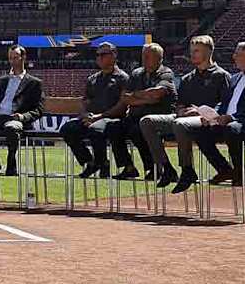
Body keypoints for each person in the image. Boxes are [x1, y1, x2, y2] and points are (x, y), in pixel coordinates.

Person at [182, 41, 245, 191]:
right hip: (229, 124)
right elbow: (224, 103)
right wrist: (212, 116)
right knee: (199, 132)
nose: (234, 57)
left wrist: (232, 117)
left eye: (237, 54)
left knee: (232, 128)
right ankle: (225, 170)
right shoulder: (234, 78)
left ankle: (239, 172)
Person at [138, 35, 230, 190]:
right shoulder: (187, 78)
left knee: (180, 124)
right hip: (184, 118)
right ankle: (166, 167)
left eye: (197, 51)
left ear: (208, 52)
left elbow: (225, 104)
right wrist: (181, 111)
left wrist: (201, 112)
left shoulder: (221, 76)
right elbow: (179, 104)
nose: (192, 54)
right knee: (147, 121)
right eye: (191, 51)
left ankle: (187, 169)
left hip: (208, 119)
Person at [59, 42, 130, 179]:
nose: (99, 58)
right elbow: (85, 100)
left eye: (103, 55)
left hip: (113, 118)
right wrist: (85, 114)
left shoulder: (123, 78)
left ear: (114, 55)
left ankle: (102, 163)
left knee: (95, 128)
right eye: (97, 55)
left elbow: (122, 105)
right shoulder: (92, 79)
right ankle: (90, 162)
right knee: (68, 129)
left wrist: (98, 117)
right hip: (92, 118)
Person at [0, 45, 43, 176]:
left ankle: (11, 162)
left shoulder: (34, 83)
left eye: (15, 58)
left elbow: (38, 110)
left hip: (15, 118)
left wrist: (22, 117)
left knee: (11, 128)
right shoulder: (0, 81)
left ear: (23, 58)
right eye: (10, 58)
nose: (12, 61)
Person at [110, 43, 176, 182]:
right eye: (143, 56)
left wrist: (135, 96)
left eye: (148, 56)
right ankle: (128, 167)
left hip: (157, 115)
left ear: (159, 58)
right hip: (136, 115)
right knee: (113, 127)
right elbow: (125, 98)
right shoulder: (136, 73)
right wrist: (145, 98)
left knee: (137, 129)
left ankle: (153, 167)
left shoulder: (166, 73)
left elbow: (157, 94)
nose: (144, 59)